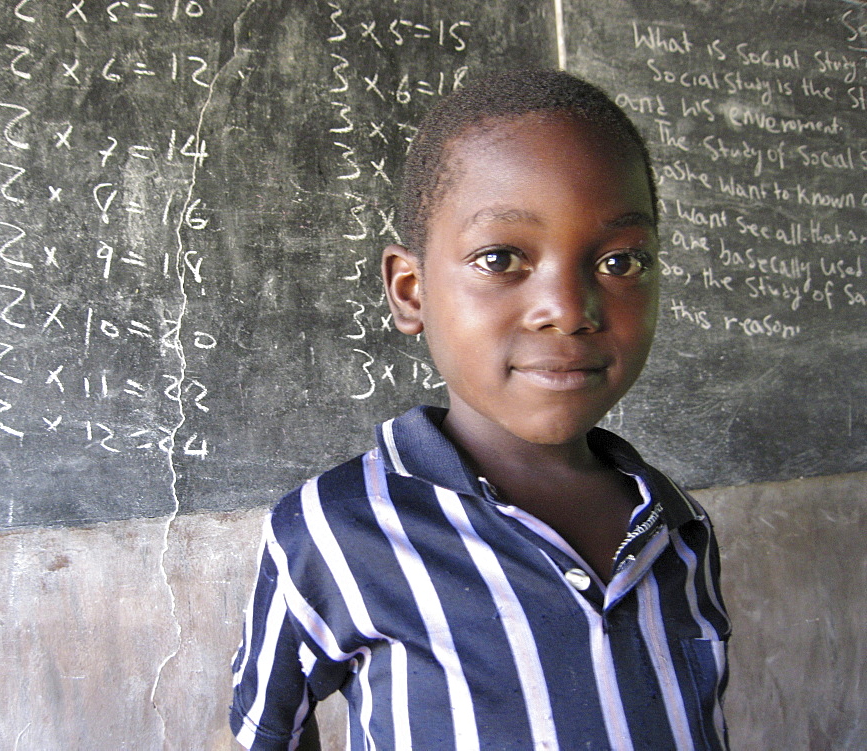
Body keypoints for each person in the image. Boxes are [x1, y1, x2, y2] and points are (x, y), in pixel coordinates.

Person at [230, 68, 730, 750]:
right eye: (502, 258)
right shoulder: (333, 529)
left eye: (621, 262)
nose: (568, 309)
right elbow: (265, 734)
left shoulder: (675, 526)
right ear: (410, 290)